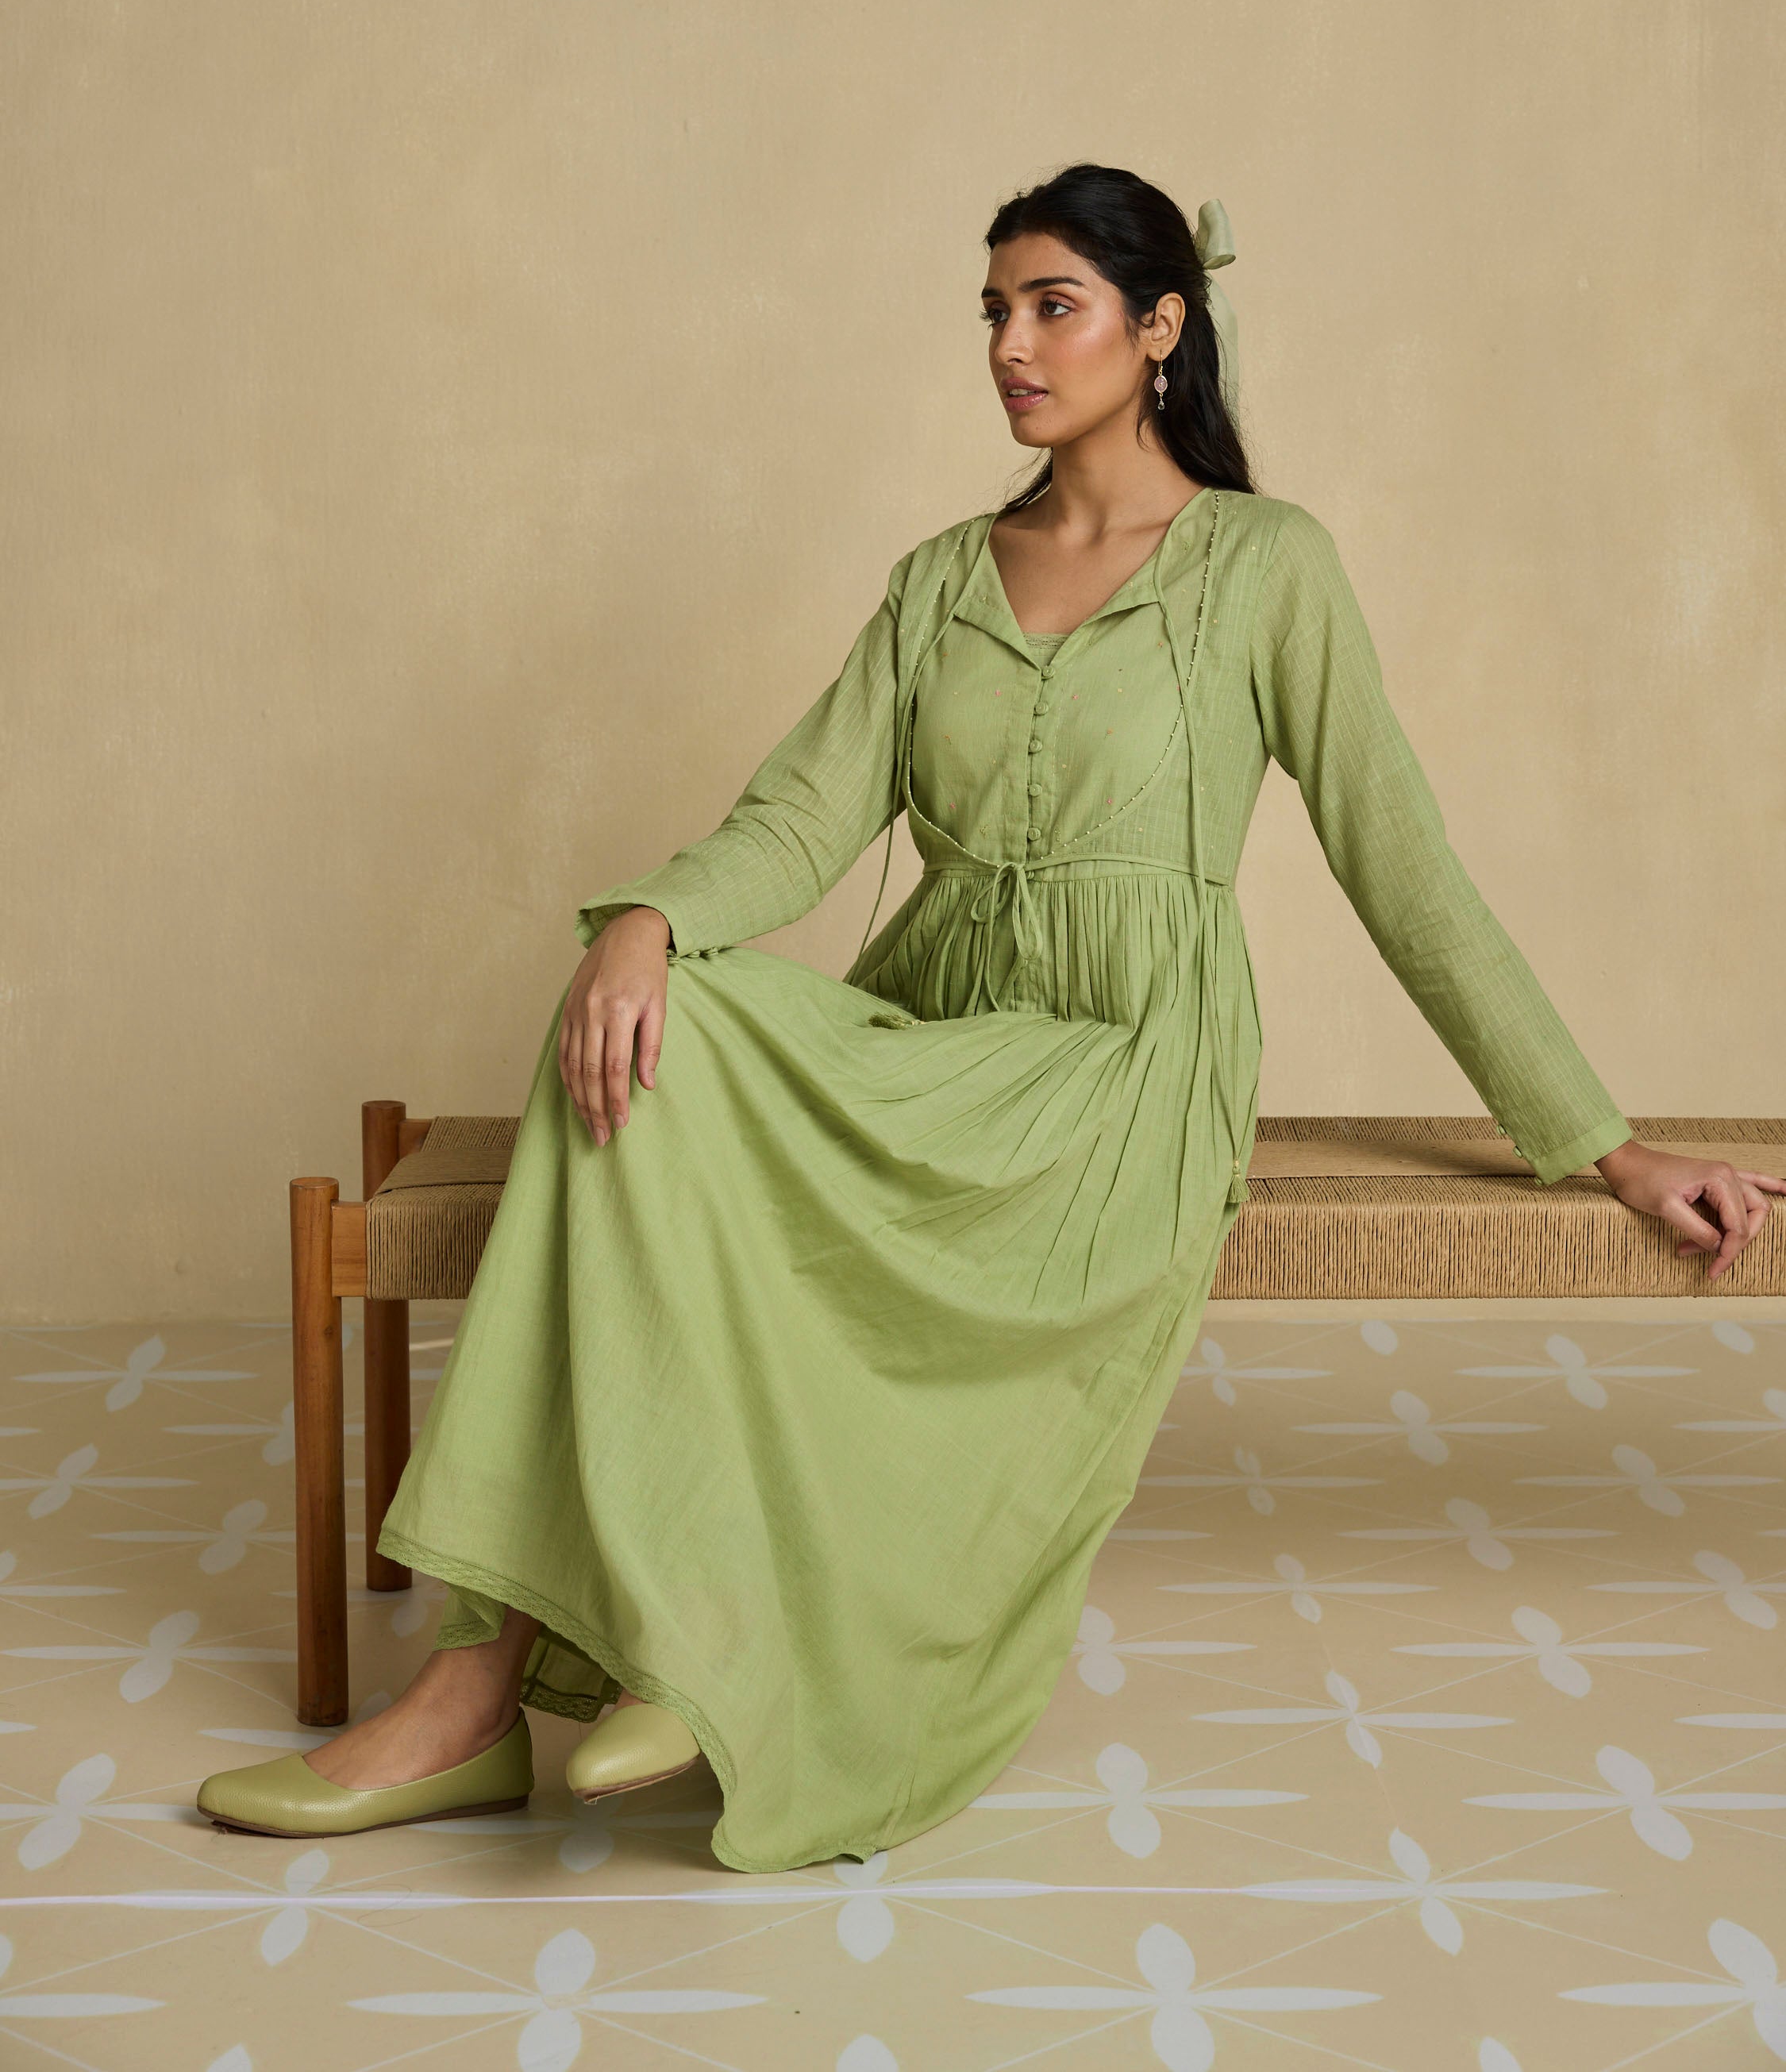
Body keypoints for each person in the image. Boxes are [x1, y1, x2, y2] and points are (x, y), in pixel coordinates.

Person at [198, 164, 1780, 1866]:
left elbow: (1405, 869)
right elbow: (802, 820)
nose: (1014, 347)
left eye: (1055, 307)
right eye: (995, 313)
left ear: (1160, 326)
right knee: (643, 1030)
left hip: (1119, 1066)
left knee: (660, 1062)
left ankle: (693, 1632)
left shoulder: (1265, 566)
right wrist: (647, 920)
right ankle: (478, 1692)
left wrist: (1601, 1146)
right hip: (935, 1039)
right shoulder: (948, 575)